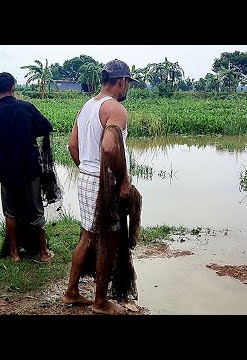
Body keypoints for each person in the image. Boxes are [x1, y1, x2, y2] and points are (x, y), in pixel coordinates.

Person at [63, 59, 139, 314]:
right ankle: (101, 302)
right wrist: (123, 179)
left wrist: (88, 171)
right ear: (122, 81)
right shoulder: (115, 109)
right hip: (103, 184)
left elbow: (73, 147)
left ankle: (72, 292)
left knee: (88, 236)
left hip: (86, 177)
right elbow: (109, 147)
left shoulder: (87, 106)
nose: (127, 88)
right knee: (108, 240)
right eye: (128, 83)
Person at [0, 72, 54, 263]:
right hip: (30, 168)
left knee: (10, 212)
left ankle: (14, 254)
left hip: (7, 169)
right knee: (36, 211)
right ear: (13, 87)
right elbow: (46, 126)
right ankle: (44, 252)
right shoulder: (26, 108)